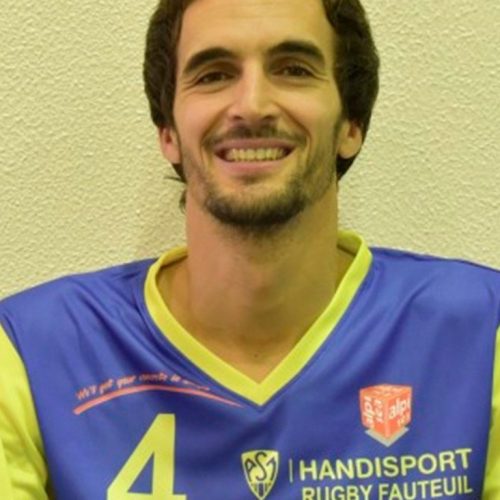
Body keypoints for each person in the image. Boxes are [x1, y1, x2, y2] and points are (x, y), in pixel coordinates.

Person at [0, 0, 498, 498]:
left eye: (293, 69)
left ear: (351, 124)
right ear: (168, 132)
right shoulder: (31, 352)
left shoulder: (480, 332)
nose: (252, 105)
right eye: (214, 75)